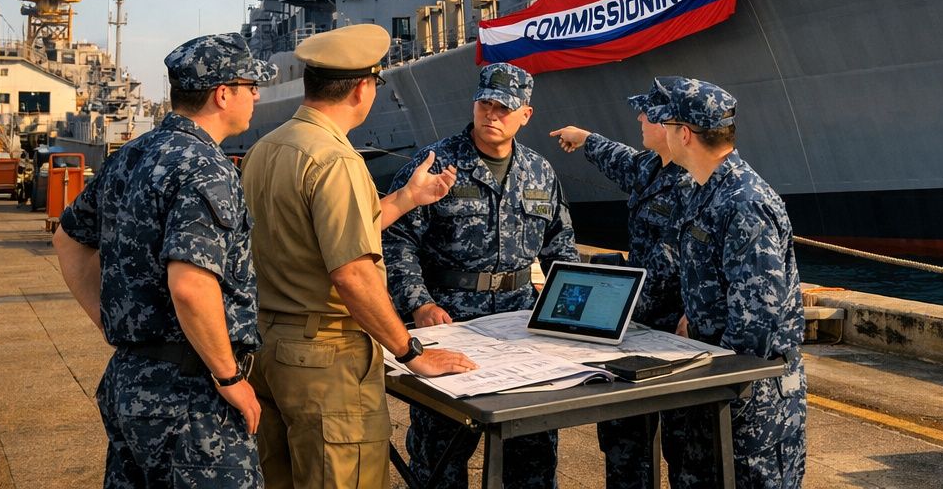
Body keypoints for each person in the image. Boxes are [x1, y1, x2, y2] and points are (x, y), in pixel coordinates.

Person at [242, 24, 475, 489]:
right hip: (325, 359)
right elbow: (351, 272)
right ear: (363, 88)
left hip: (268, 346)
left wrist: (407, 198)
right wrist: (411, 351)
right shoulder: (337, 160)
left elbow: (318, 236)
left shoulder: (266, 149)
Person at [54, 33, 277, 489]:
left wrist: (114, 321)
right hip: (192, 397)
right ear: (222, 94)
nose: (256, 94)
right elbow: (191, 285)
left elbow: (68, 238)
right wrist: (229, 375)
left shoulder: (131, 155)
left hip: (130, 380)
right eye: (250, 84)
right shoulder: (206, 167)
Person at [384, 62, 579, 489]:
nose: (492, 114)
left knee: (531, 450)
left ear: (525, 115)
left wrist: (575, 314)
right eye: (485, 104)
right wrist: (419, 303)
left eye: (503, 108)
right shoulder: (436, 163)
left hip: (520, 325)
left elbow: (560, 248)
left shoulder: (540, 172)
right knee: (442, 454)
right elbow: (396, 239)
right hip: (449, 322)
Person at [650, 77, 807, 489]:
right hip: (715, 390)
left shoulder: (744, 202)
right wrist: (693, 319)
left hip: (750, 399)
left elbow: (756, 321)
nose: (662, 130)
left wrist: (704, 346)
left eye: (666, 124)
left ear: (684, 134)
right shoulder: (707, 192)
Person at [550, 79, 697, 489]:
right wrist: (582, 138)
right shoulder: (650, 167)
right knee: (624, 441)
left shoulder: (695, 183)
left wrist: (692, 311)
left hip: (676, 332)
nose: (638, 118)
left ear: (670, 125)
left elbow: (691, 262)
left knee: (683, 444)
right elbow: (618, 157)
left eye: (647, 113)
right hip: (636, 326)